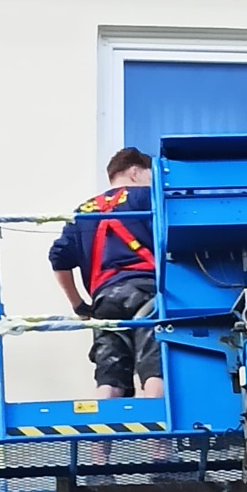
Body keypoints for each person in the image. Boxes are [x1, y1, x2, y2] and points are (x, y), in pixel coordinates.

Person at [48, 147, 163, 399]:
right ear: (135, 172)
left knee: (109, 376)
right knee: (155, 369)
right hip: (147, 294)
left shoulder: (84, 210)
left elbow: (58, 259)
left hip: (105, 301)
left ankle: (102, 439)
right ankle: (159, 439)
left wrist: (79, 305)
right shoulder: (149, 198)